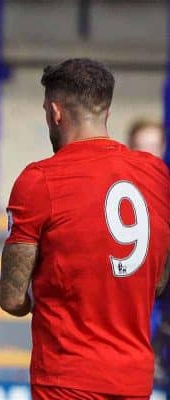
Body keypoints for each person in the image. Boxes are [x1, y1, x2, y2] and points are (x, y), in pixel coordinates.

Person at [0, 58, 170, 399]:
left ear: (55, 112)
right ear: (105, 112)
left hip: (68, 378)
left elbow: (12, 297)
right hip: (135, 379)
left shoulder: (40, 179)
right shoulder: (156, 175)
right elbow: (159, 280)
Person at [127, 118, 170, 388]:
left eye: (154, 146)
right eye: (142, 147)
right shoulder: (118, 194)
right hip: (128, 304)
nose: (149, 154)